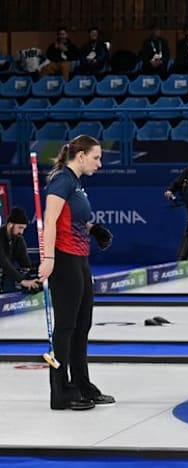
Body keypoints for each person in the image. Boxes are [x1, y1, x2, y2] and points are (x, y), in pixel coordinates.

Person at [39, 135, 114, 411]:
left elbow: (75, 218)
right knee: (66, 327)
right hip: (64, 259)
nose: (100, 163)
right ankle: (61, 392)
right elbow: (50, 220)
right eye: (96, 157)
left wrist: (95, 230)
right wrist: (48, 258)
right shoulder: (63, 180)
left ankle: (83, 386)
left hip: (80, 258)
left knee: (82, 325)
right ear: (80, 156)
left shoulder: (76, 183)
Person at [0, 207, 38, 293]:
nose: (22, 232)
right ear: (10, 225)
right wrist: (22, 281)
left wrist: (33, 275)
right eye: (20, 228)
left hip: (7, 275)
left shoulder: (18, 239)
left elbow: (25, 261)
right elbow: (3, 261)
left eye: (24, 228)